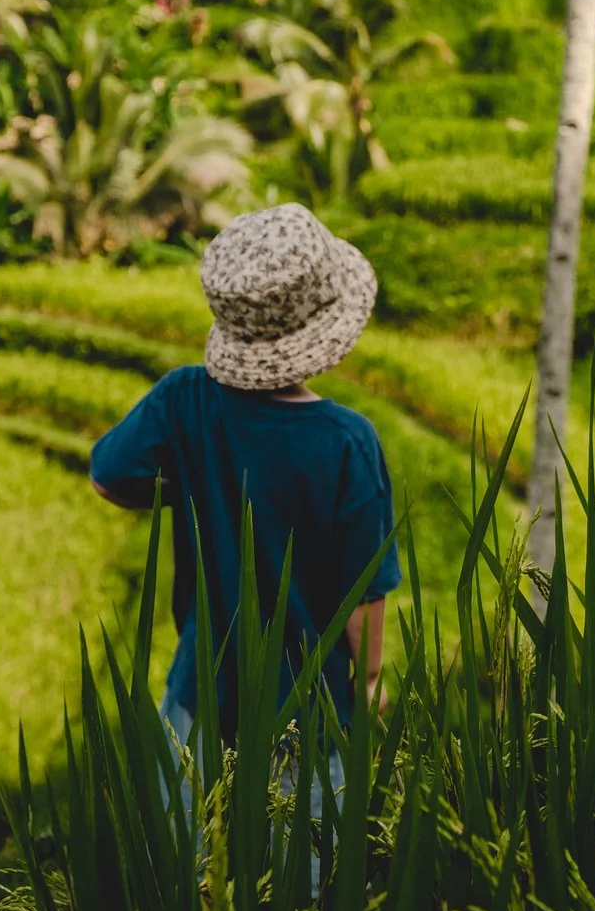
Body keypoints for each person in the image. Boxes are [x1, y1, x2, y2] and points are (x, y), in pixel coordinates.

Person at [89, 203, 400, 768]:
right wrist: (371, 678)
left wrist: (193, 484)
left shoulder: (183, 399)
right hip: (308, 712)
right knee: (303, 828)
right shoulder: (347, 440)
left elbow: (109, 478)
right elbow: (364, 591)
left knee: (190, 825)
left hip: (200, 694)